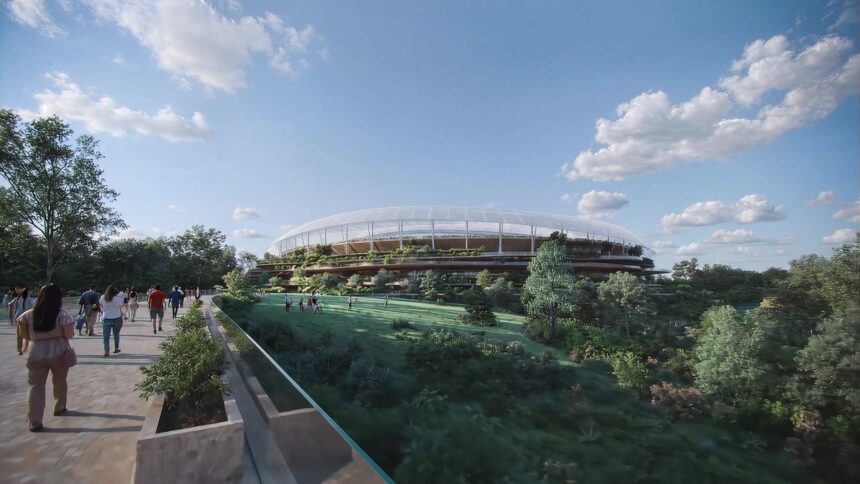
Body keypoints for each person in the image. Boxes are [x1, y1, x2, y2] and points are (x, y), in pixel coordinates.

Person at [17, 284, 75, 432]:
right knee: (60, 381)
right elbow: (69, 335)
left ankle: (34, 421)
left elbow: (25, 335)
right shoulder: (63, 315)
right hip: (59, 352)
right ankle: (59, 406)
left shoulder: (28, 315)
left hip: (35, 352)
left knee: (36, 386)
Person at [99, 285, 123, 357]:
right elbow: (121, 305)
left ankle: (106, 350)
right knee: (116, 334)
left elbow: (101, 305)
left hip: (106, 318)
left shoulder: (103, 297)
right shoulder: (118, 298)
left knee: (106, 336)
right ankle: (116, 348)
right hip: (117, 317)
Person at [12, 287, 33, 355]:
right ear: (27, 292)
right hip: (21, 319)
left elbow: (30, 310)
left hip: (25, 319)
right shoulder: (19, 299)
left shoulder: (29, 300)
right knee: (19, 335)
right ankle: (20, 350)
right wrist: (14, 318)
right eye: (30, 291)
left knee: (27, 335)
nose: (30, 292)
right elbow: (16, 309)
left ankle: (28, 349)